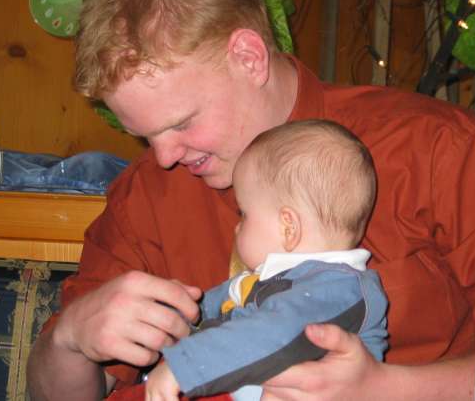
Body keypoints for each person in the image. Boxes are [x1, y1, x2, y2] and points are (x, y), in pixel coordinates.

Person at [26, 0, 475, 401]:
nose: (164, 157)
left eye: (180, 123)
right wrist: (70, 340)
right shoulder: (144, 197)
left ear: (248, 57)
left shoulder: (441, 151)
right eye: (144, 136)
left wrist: (384, 388)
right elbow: (57, 391)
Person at [145, 119, 388, 400]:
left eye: (244, 214)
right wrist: (169, 314)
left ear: (288, 228)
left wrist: (185, 367)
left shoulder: (340, 288)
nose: (236, 228)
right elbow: (205, 309)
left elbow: (271, 333)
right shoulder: (262, 281)